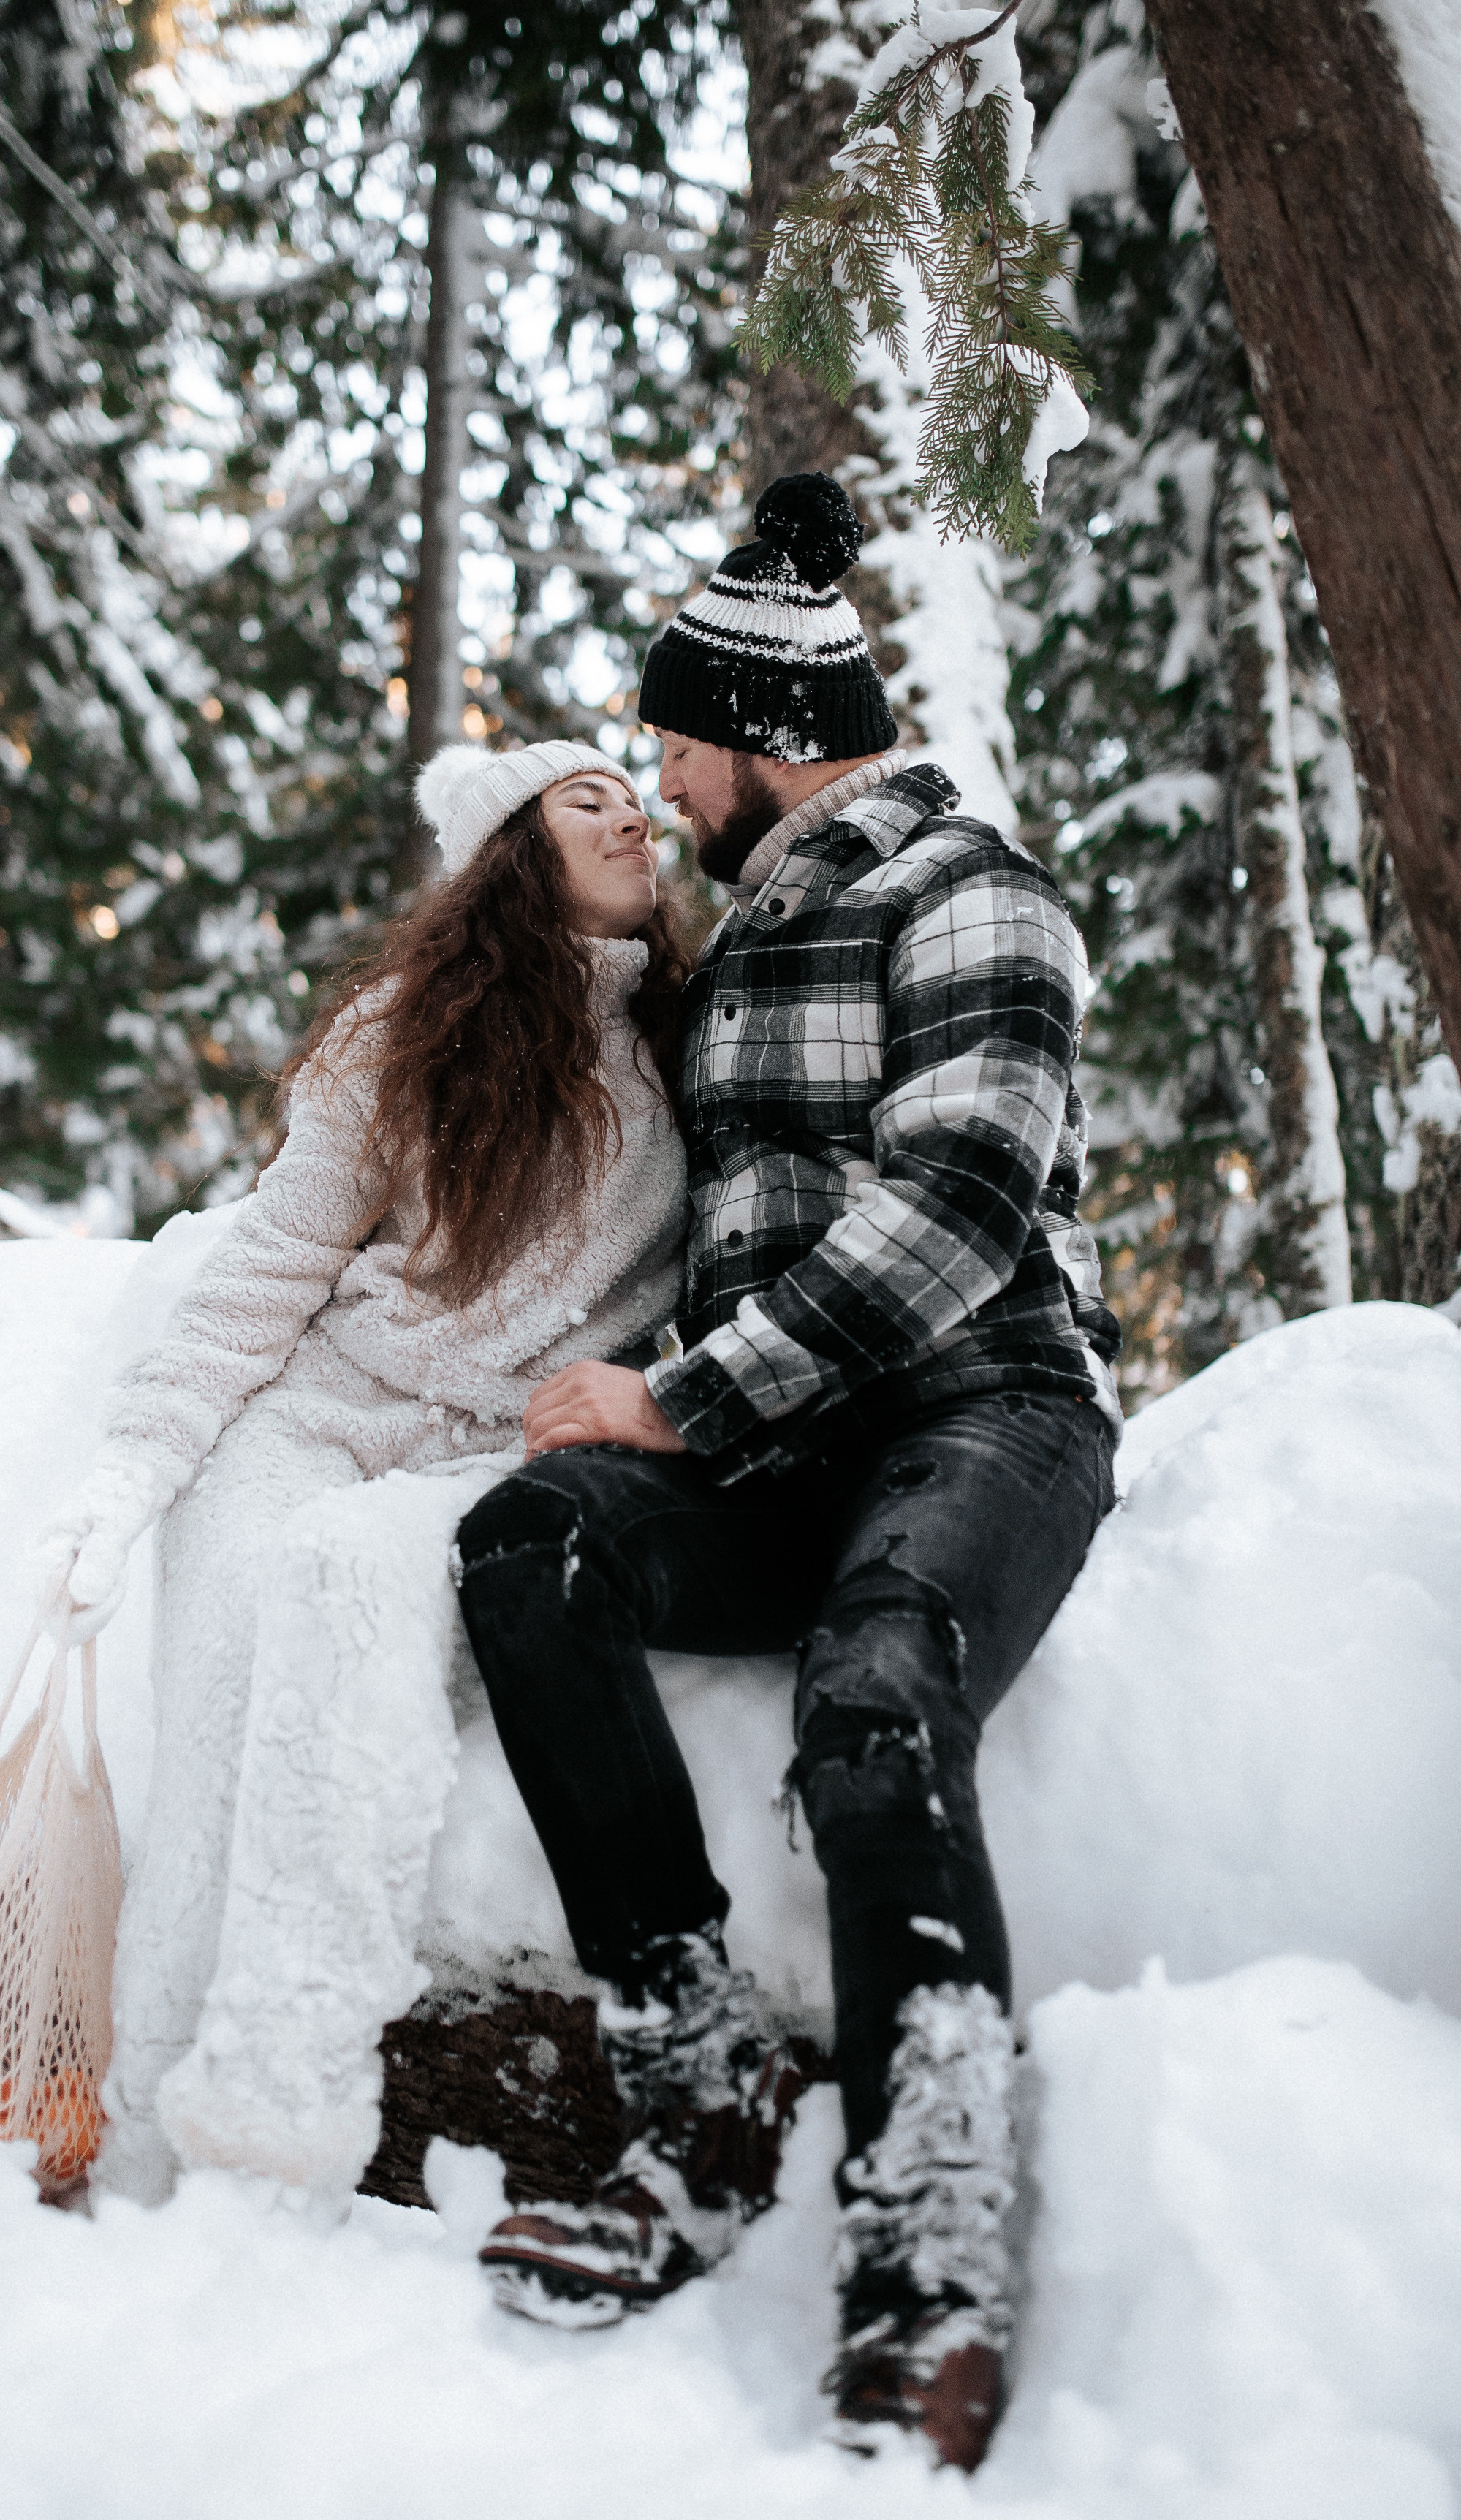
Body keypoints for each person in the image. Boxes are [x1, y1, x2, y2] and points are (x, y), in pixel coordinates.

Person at [451, 473, 1121, 2471]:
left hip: (984, 1403)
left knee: (877, 1680)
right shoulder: (740, 943)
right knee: (530, 1549)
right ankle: (697, 2084)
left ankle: (931, 2234)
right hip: (780, 1436)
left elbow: (963, 1199)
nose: (657, 779)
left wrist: (681, 1397)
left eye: (671, 741)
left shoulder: (970, 889)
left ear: (765, 737)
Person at [39, 738, 689, 2206]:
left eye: (634, 797)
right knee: (211, 1708)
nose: (628, 814)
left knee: (340, 1653)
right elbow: (273, 1261)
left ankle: (271, 2139)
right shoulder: (405, 1028)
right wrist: (134, 1469)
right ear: (507, 858)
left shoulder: (692, 1041)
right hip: (318, 1409)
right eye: (585, 800)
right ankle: (137, 2139)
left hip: (490, 1453)